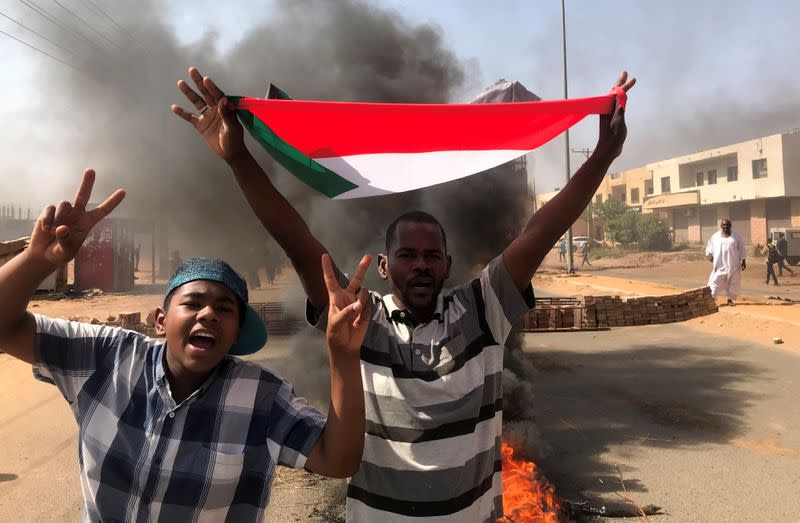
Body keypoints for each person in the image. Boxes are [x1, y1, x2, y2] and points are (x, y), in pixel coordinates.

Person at [172, 66, 635, 521]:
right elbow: (297, 240)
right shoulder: (360, 318)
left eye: (432, 256)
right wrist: (239, 158)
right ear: (384, 265)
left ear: (447, 266)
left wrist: (601, 157)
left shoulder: (483, 310)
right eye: (407, 255)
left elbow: (542, 228)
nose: (420, 265)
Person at [0, 170, 370, 522]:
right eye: (193, 303)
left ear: (237, 332)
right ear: (161, 319)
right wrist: (35, 261)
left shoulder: (262, 396)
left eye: (225, 309)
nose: (208, 314)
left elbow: (337, 460)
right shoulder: (107, 356)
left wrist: (343, 356)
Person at [705, 219, 747, 306]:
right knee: (715, 281)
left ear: (730, 226)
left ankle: (730, 300)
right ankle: (713, 298)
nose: (725, 226)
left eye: (727, 225)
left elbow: (742, 248)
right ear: (721, 226)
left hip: (733, 264)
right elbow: (709, 247)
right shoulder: (715, 236)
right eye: (723, 225)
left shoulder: (736, 237)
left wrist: (743, 260)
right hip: (719, 265)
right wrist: (709, 255)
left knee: (733, 282)